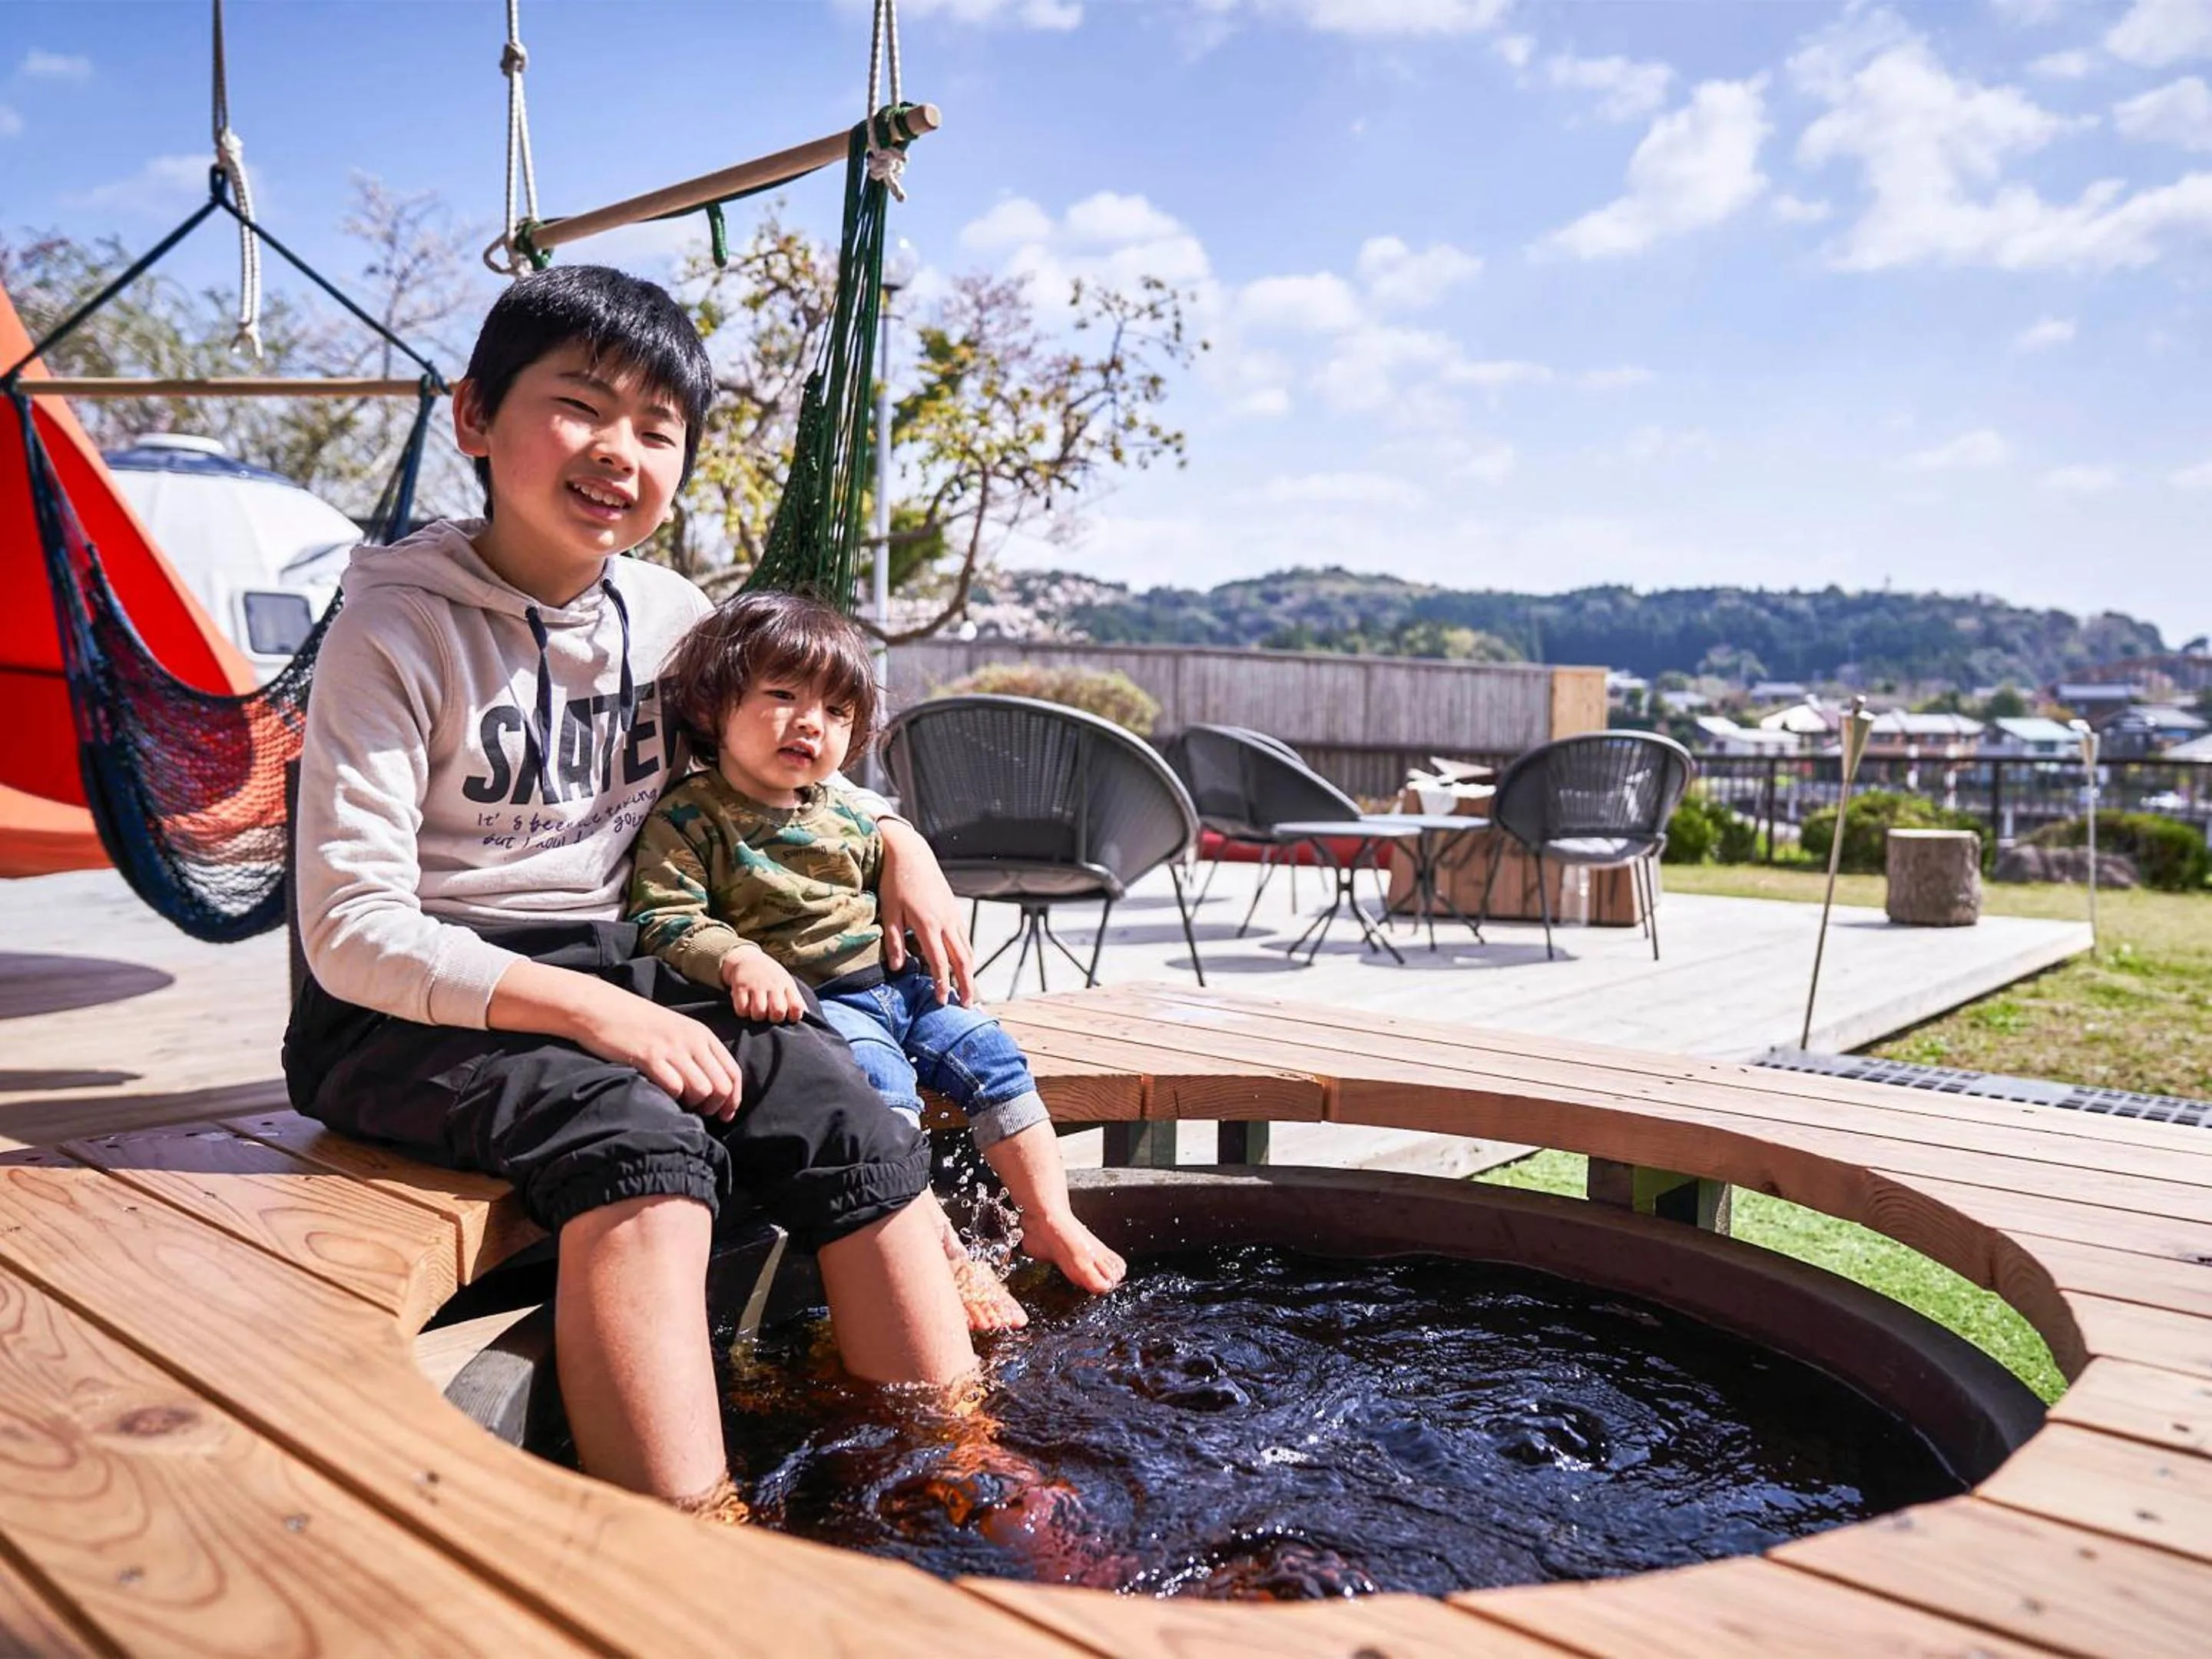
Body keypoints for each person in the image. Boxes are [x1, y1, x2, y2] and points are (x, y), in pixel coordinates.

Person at [282, 266, 978, 1522]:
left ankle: (959, 1479)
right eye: (582, 406)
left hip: (615, 963)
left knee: (834, 1091)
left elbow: (777, 765)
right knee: (641, 1142)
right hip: (407, 1008)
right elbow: (349, 929)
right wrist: (605, 1017)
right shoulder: (392, 629)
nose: (620, 451)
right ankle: (694, 1538)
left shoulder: (667, 618)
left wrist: (893, 838)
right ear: (476, 418)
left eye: (659, 430)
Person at [624, 591, 1127, 1331]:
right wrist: (735, 958)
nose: (810, 723)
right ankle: (946, 1258)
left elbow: (888, 871)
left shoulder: (851, 809)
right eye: (783, 696)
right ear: (714, 706)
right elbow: (665, 918)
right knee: (878, 1097)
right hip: (826, 1006)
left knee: (995, 1060)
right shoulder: (691, 816)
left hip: (905, 989)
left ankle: (1049, 1217)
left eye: (835, 712)